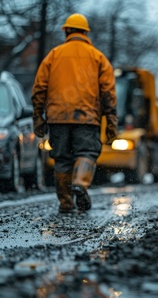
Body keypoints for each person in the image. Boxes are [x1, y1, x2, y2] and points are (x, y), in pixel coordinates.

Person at [32, 13, 117, 213]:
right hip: (87, 118)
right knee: (86, 152)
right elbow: (108, 92)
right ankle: (80, 182)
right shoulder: (98, 57)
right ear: (86, 32)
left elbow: (39, 89)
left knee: (62, 159)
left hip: (58, 117)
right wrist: (112, 121)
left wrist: (38, 117)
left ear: (66, 31)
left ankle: (66, 202)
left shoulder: (53, 55)